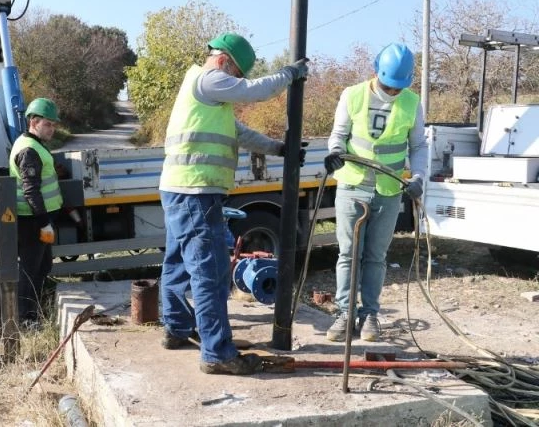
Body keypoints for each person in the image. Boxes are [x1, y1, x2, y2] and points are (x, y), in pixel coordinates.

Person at [158, 32, 309, 375]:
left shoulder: (206, 96)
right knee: (210, 273)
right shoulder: (209, 78)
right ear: (224, 60)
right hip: (195, 192)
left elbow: (240, 133)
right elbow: (254, 91)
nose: (236, 81)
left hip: (179, 190)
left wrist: (279, 148)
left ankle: (177, 329)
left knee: (177, 264)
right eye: (237, 73)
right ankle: (217, 354)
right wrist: (289, 74)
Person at [323, 43, 428, 342]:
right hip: (353, 186)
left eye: (398, 87)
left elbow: (418, 146)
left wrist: (419, 177)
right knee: (348, 254)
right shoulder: (353, 95)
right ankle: (345, 313)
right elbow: (339, 134)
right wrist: (335, 152)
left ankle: (369, 314)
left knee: (375, 257)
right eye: (388, 85)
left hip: (388, 190)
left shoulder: (412, 102)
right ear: (376, 71)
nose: (392, 91)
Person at [9, 97, 63, 326]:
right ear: (33, 122)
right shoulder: (29, 150)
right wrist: (44, 223)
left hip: (38, 219)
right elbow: (31, 191)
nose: (52, 129)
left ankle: (35, 310)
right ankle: (26, 318)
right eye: (47, 124)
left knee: (42, 266)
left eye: (53, 124)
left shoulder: (33, 144)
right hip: (32, 221)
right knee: (31, 269)